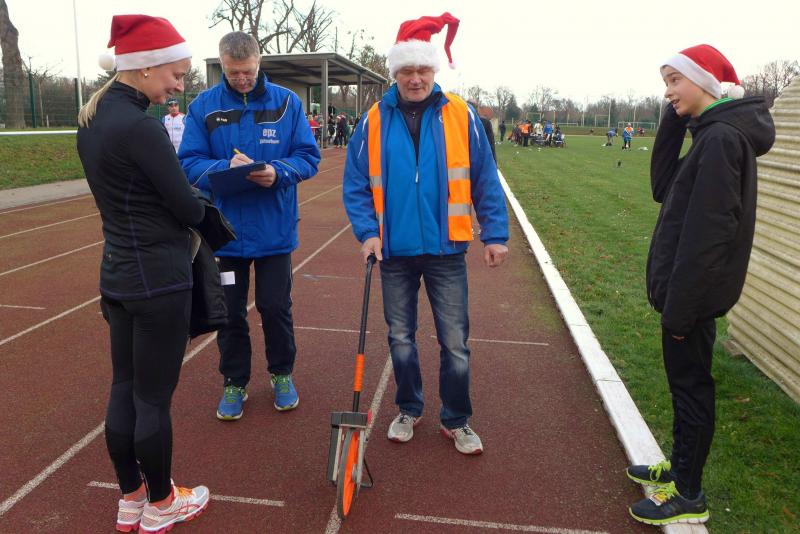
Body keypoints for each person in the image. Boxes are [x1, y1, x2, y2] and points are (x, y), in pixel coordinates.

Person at [342, 12, 509, 456]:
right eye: (407, 71)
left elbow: (484, 177)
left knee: (455, 342)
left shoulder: (461, 114)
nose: (415, 79)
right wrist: (367, 232)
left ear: (433, 70)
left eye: (422, 70)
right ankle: (408, 408)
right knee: (400, 337)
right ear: (395, 73)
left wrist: (495, 233)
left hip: (446, 248)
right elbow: (355, 183)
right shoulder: (373, 119)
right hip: (393, 250)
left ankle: (456, 418)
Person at [626, 44, 774, 526]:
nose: (667, 91)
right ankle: (680, 467)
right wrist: (675, 119)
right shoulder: (710, 134)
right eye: (665, 82)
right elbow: (662, 186)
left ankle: (689, 491)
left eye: (675, 80)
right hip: (685, 297)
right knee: (683, 386)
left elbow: (708, 237)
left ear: (705, 82)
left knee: (692, 390)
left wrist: (680, 310)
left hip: (690, 300)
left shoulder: (721, 140)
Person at [76, 14, 210, 533]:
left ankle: (131, 498)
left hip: (117, 275)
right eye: (176, 74)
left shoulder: (92, 120)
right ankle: (162, 503)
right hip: (158, 278)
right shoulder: (142, 127)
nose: (179, 85)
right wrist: (204, 200)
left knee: (124, 389)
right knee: (152, 399)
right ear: (147, 67)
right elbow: (187, 206)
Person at [179, 31, 320, 420]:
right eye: (233, 72)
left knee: (275, 307)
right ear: (222, 66)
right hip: (225, 233)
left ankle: (281, 374)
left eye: (248, 71)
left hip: (275, 230)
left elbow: (308, 156)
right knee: (229, 311)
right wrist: (224, 167)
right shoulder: (203, 106)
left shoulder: (287, 103)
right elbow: (187, 162)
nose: (241, 79)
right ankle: (234, 381)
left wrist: (279, 172)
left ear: (259, 63)